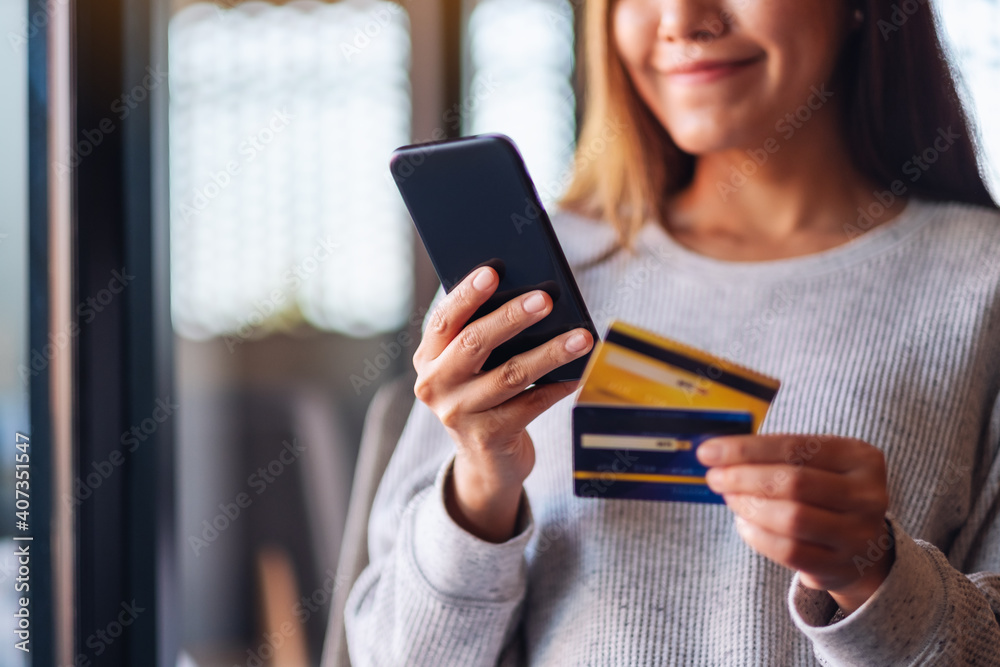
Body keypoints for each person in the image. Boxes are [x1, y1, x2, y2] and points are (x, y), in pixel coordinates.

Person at [344, 0, 1000, 664]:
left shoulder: (984, 282)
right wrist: (481, 485)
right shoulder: (521, 276)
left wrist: (880, 579)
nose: (683, 19)